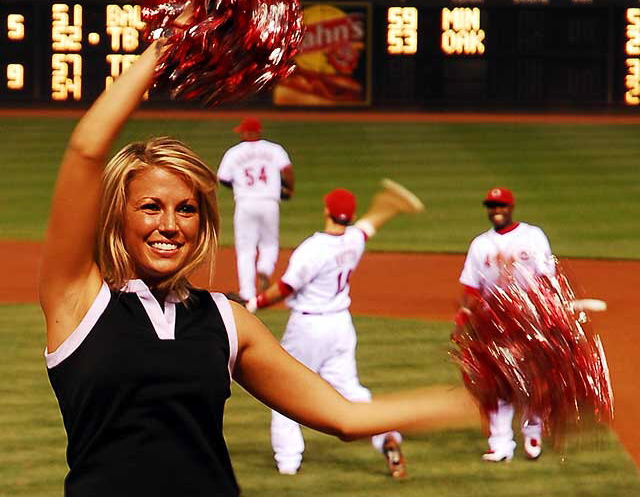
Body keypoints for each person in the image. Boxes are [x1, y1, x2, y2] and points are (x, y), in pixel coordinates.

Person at [39, 37, 478, 496]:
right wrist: (172, 40)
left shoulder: (227, 322)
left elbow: (347, 418)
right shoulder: (78, 300)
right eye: (150, 207)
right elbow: (86, 150)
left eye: (186, 210)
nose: (169, 225)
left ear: (203, 222)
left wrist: (476, 403)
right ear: (119, 215)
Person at [246, 181, 424, 478]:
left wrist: (255, 302)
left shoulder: (313, 249)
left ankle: (288, 464)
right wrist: (389, 206)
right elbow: (370, 224)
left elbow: (287, 287)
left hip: (309, 327)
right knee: (351, 392)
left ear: (327, 210)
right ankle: (386, 436)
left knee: (284, 391)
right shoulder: (353, 239)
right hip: (341, 325)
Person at [458, 187, 555, 462]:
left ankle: (533, 432)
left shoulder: (533, 236)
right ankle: (500, 445)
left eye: (500, 205)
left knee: (531, 381)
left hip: (529, 318)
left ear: (511, 207)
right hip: (493, 324)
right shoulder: (480, 244)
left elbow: (548, 277)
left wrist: (549, 317)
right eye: (491, 205)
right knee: (497, 383)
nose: (496, 209)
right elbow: (472, 288)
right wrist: (464, 319)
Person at [216, 117, 294, 301]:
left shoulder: (234, 153)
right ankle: (265, 268)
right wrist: (289, 188)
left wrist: (239, 185)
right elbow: (287, 170)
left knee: (245, 249)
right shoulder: (274, 149)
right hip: (269, 202)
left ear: (244, 133)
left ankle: (247, 293)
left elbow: (223, 178)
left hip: (245, 203)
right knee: (270, 243)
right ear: (259, 132)